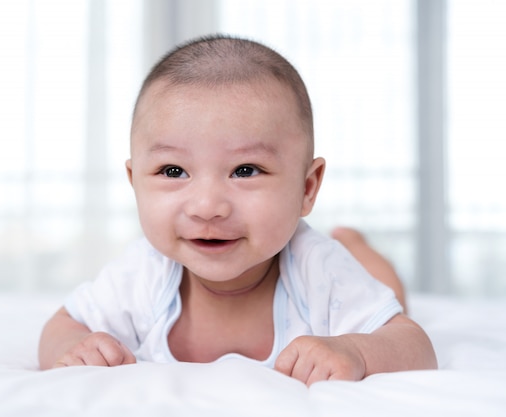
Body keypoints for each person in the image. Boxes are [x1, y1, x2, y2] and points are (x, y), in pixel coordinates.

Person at [39, 35, 436, 385]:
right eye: (173, 171)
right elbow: (62, 325)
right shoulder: (144, 272)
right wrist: (76, 346)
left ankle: (354, 243)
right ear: (134, 183)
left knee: (386, 287)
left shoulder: (319, 268)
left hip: (342, 261)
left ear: (307, 188)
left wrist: (358, 351)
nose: (207, 207)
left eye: (245, 170)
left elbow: (413, 343)